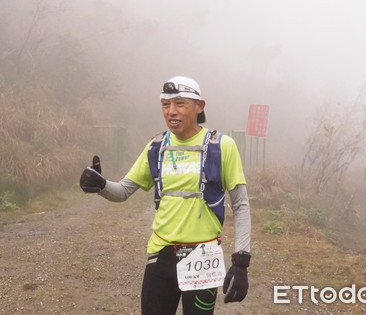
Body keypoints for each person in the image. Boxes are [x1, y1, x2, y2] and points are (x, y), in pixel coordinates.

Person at [80, 76, 251, 314]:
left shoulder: (222, 145)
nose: (171, 111)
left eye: (180, 103)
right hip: (160, 256)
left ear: (199, 106)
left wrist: (241, 261)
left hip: (202, 258)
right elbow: (123, 191)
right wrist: (100, 185)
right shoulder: (156, 146)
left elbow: (241, 205)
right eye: (165, 104)